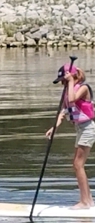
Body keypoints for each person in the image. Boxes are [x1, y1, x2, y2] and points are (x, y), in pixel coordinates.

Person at [45, 63, 95, 209]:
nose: (62, 84)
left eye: (63, 81)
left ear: (71, 77)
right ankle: (88, 200)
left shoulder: (83, 88)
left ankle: (85, 202)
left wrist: (71, 81)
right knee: (77, 165)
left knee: (78, 164)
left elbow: (73, 99)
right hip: (80, 129)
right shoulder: (69, 91)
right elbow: (64, 111)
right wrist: (54, 127)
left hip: (88, 129)